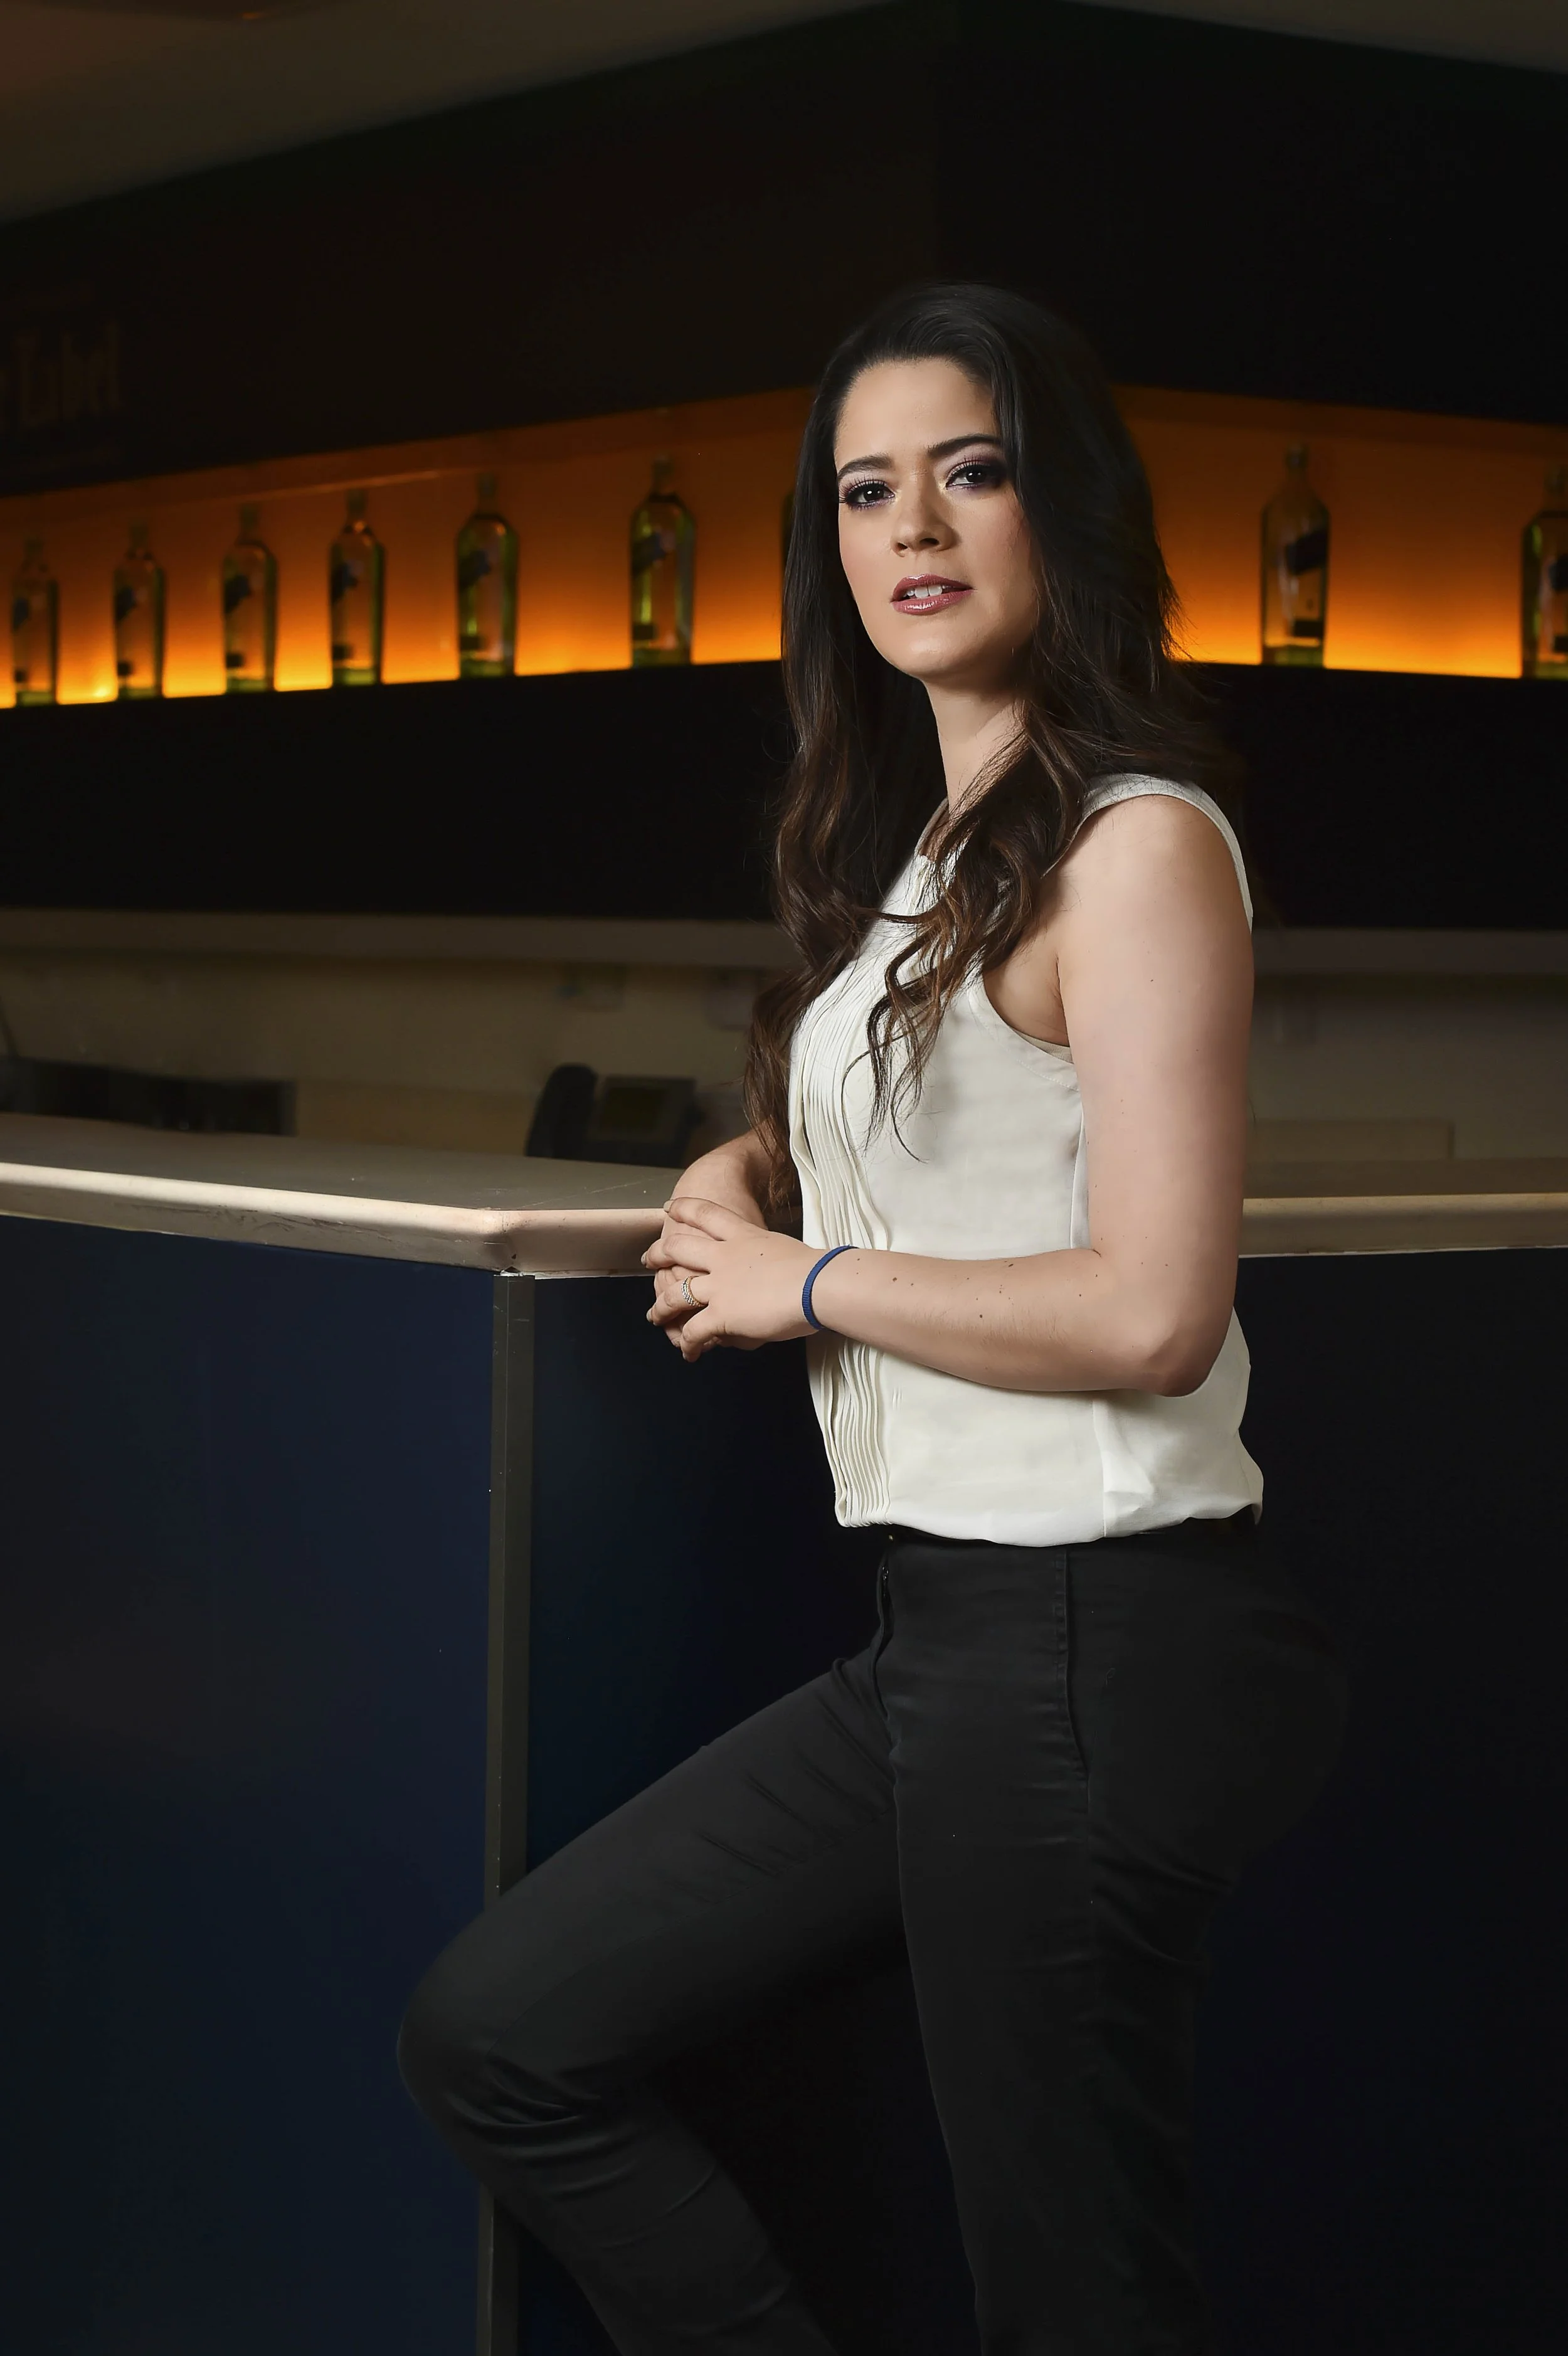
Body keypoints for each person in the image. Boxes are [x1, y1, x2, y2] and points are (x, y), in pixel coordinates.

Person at [398, 283, 1350, 2355]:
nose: (912, 524)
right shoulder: (940, 850)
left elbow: (1153, 1307)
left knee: (1075, 2305)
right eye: (863, 489)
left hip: (1096, 1635)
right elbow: (950, 1124)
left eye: (969, 471)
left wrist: (804, 1280)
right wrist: (755, 1164)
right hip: (947, 1638)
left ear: (1058, 507)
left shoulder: (1135, 845)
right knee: (504, 2031)